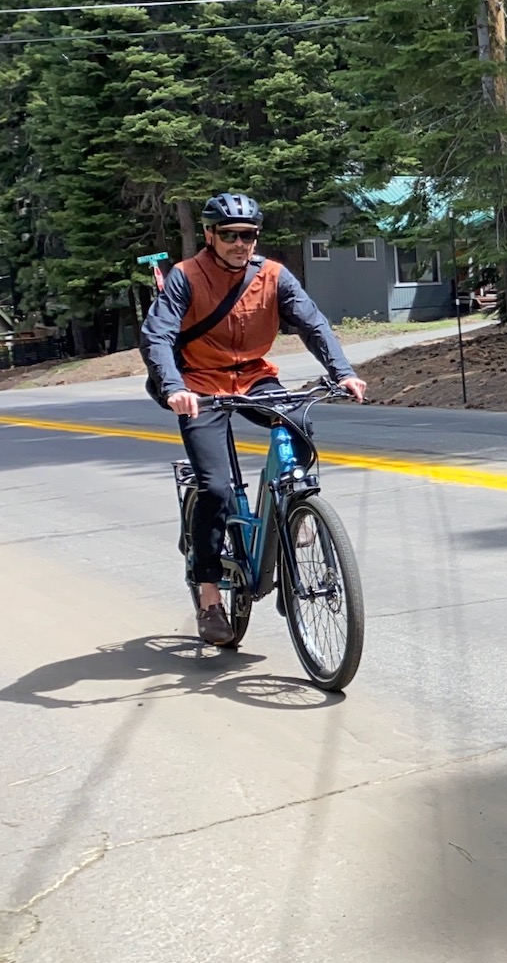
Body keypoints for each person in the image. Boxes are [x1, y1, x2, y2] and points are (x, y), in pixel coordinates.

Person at [139, 193, 367, 645]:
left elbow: (313, 324)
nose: (239, 243)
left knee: (299, 420)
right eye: (229, 235)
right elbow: (157, 336)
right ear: (210, 235)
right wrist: (174, 388)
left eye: (247, 235)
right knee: (217, 488)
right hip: (199, 385)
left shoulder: (273, 276)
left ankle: (295, 509)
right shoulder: (185, 277)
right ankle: (208, 595)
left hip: (254, 378)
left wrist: (342, 373)